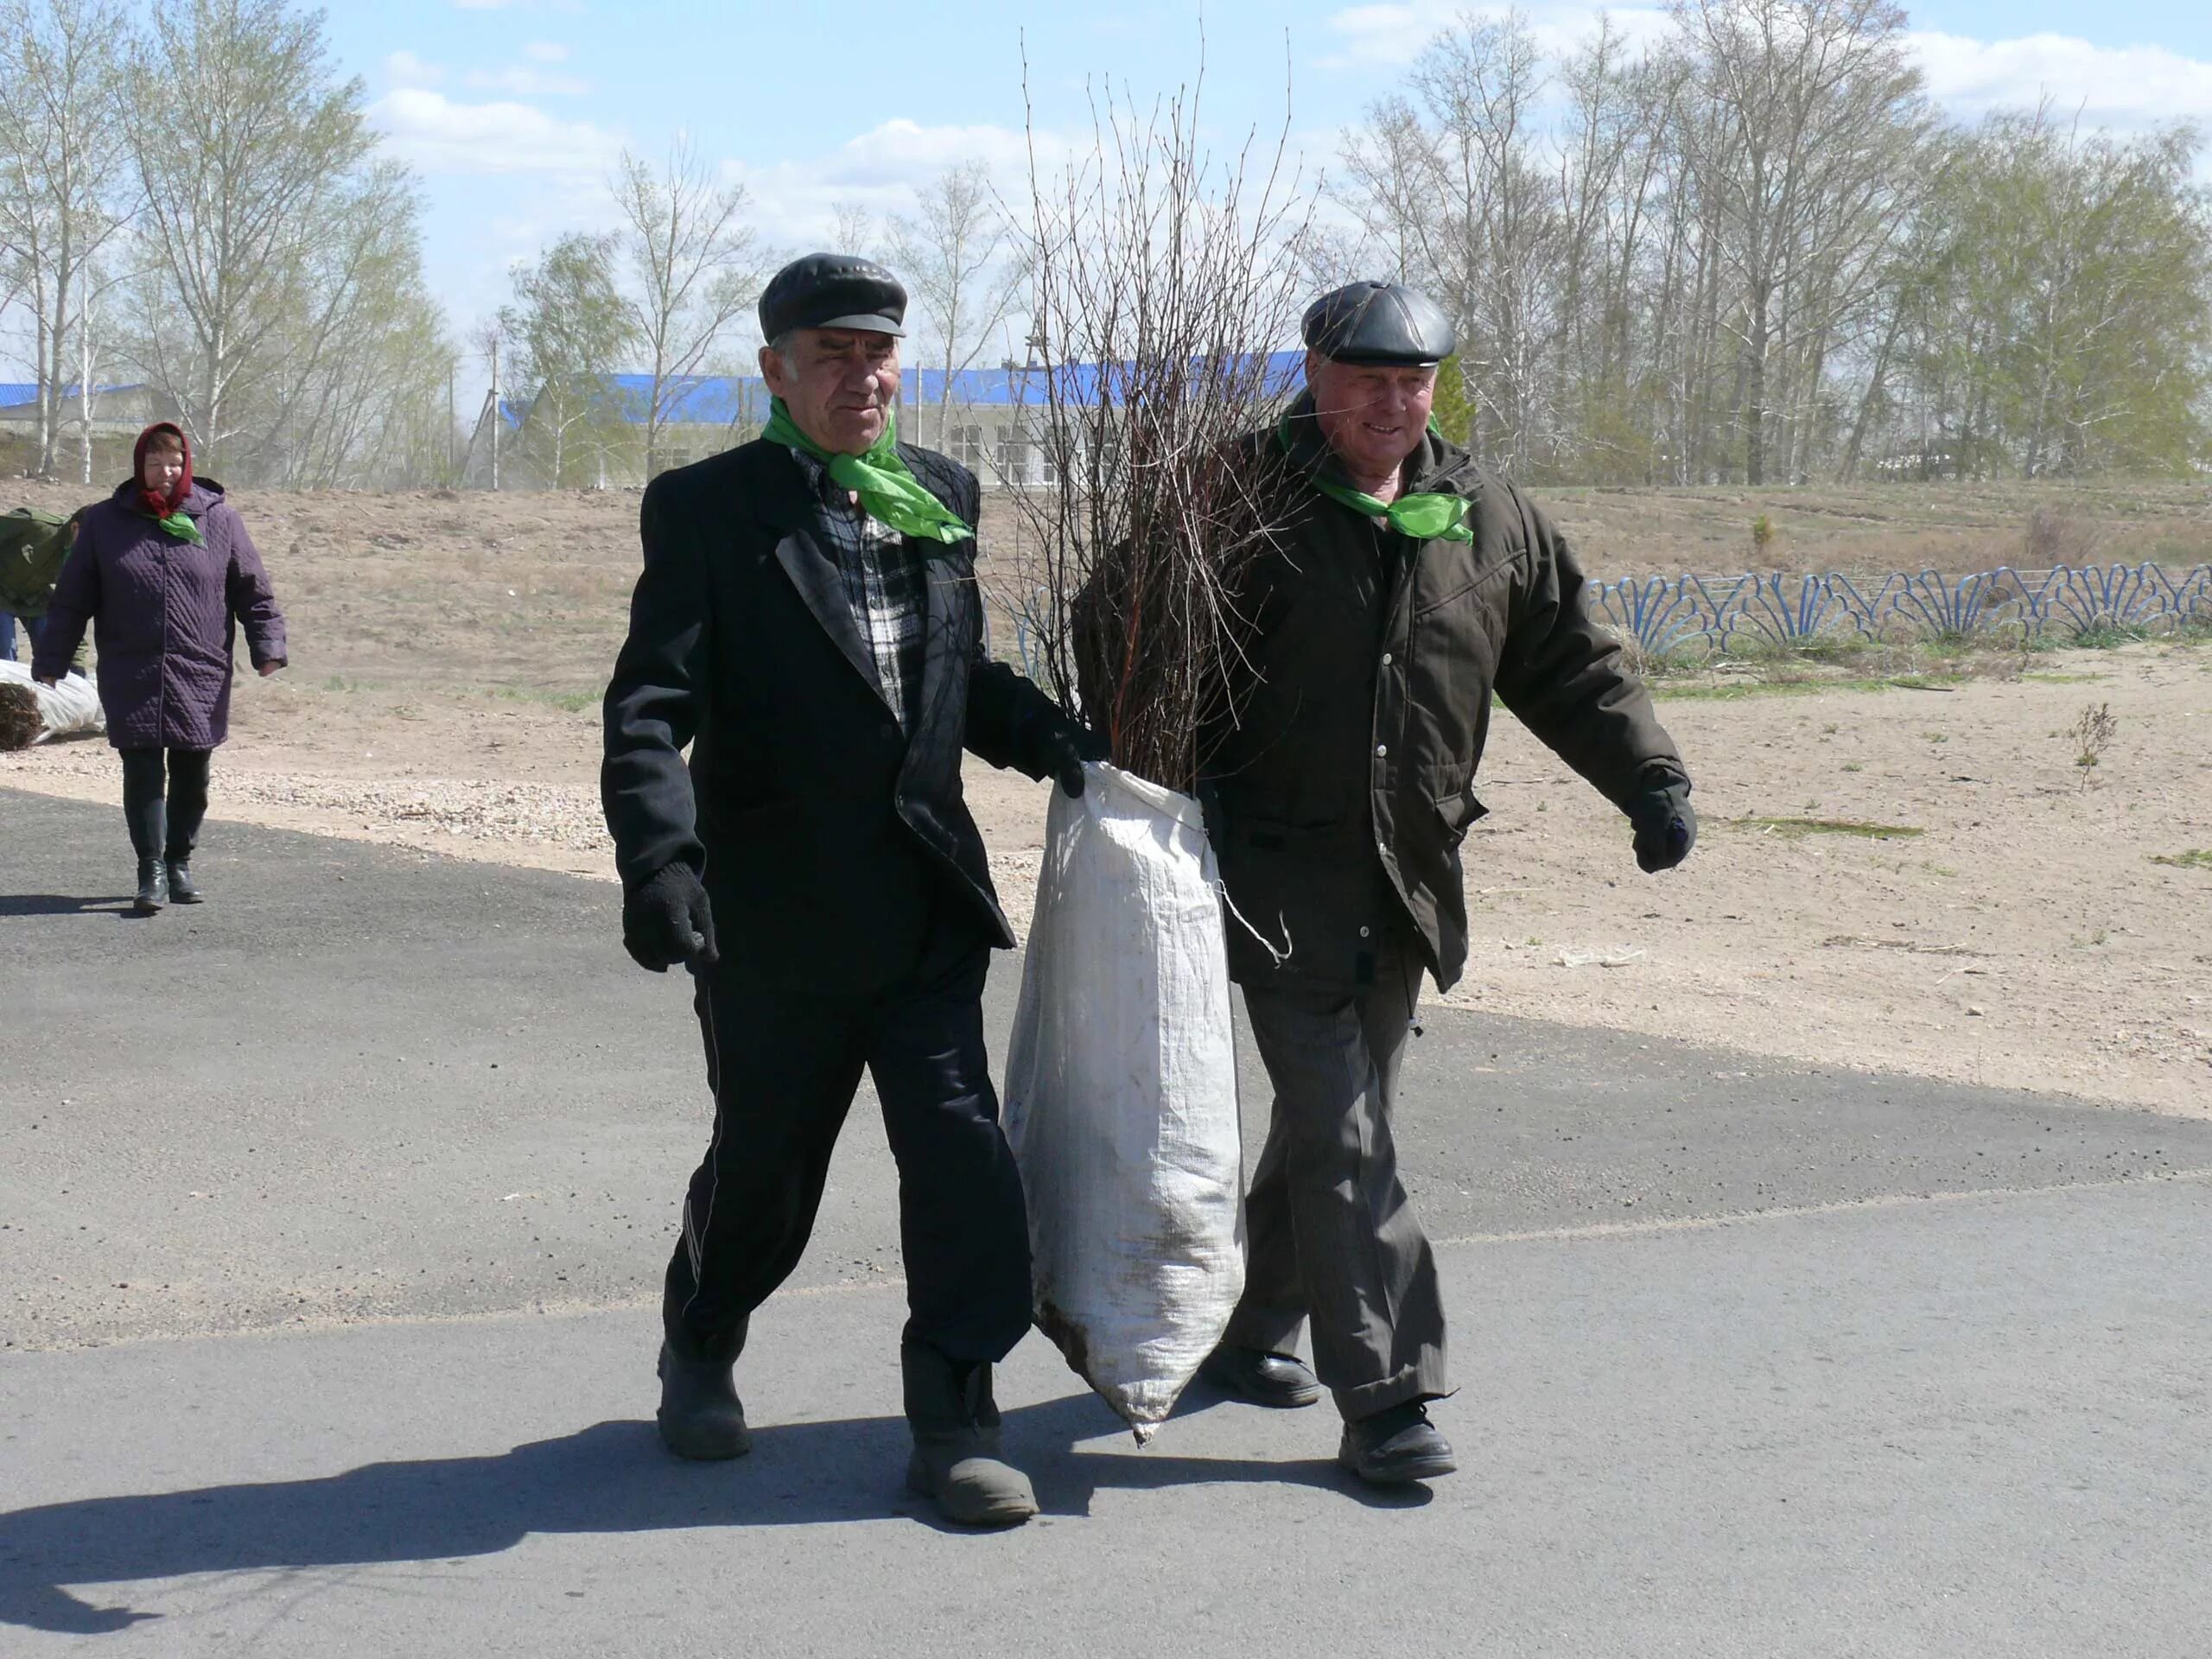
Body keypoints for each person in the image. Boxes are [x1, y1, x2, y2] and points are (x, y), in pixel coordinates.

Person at [601, 252, 1105, 1529]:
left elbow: (953, 674)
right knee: (767, 1172)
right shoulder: (710, 510)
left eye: (878, 354)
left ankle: (955, 1413)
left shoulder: (940, 494)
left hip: (924, 904)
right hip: (771, 919)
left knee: (961, 1161)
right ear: (775, 372)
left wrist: (1049, 737)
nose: (861, 377)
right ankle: (704, 1334)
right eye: (830, 355)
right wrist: (660, 860)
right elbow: (649, 705)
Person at [1193, 282, 1697, 1485]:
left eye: (1413, 379)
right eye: (1367, 377)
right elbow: (1131, 647)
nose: (1391, 400)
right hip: (1269, 873)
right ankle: (1388, 1397)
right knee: (1349, 1134)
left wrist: (1651, 782)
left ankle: (1249, 1327)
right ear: (1314, 375)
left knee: (1333, 1130)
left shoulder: (1485, 517)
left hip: (1406, 877)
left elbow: (1571, 663)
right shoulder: (1233, 503)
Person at [33, 423, 287, 912]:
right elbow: (72, 597)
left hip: (200, 665)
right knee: (142, 767)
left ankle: (180, 864)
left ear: (186, 465)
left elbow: (252, 589)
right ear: (139, 467)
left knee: (193, 768)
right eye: (154, 463)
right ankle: (150, 868)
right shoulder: (106, 522)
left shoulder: (220, 520)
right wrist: (52, 660)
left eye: (173, 463)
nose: (165, 473)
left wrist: (268, 645)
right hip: (132, 665)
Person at [0, 506, 84, 665]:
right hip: (1, 591)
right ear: (75, 527)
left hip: (35, 599)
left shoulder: (82, 560)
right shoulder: (36, 525)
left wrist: (77, 664)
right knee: (5, 653)